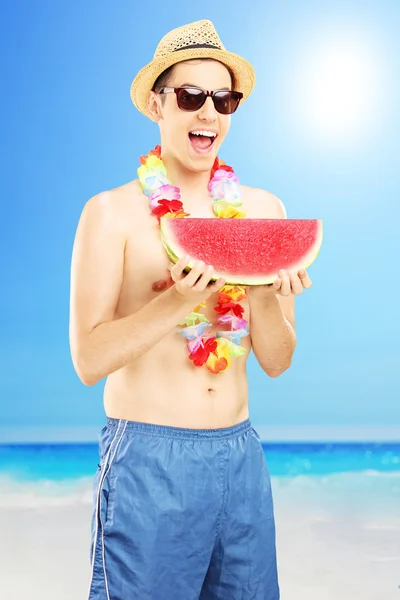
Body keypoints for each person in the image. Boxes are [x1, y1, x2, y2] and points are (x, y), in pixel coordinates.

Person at [69, 19, 312, 600]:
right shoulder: (111, 214)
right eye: (191, 96)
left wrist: (258, 290)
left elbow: (277, 361)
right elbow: (88, 360)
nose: (209, 113)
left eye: (223, 100)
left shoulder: (263, 209)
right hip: (149, 460)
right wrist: (179, 301)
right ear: (159, 103)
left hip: (242, 458)